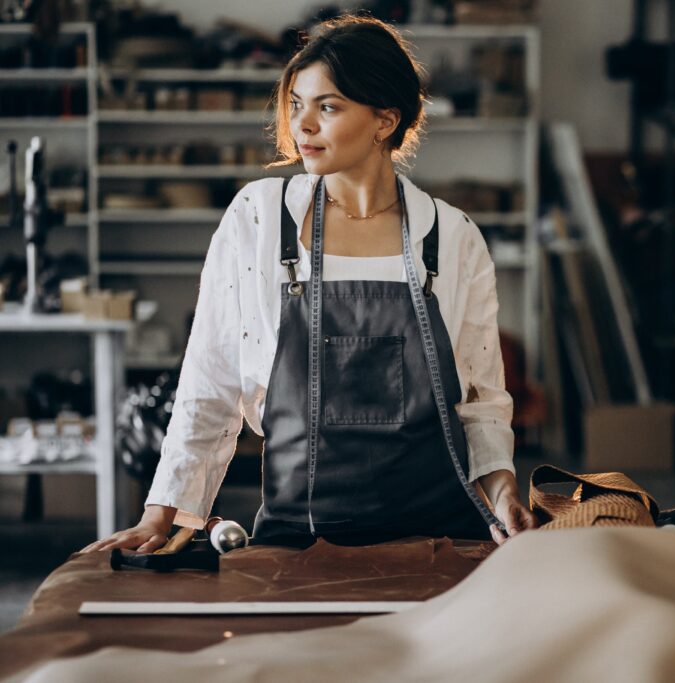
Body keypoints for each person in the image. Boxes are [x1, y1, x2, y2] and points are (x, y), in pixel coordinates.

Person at [82, 14, 537, 553]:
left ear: (385, 120)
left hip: (437, 538)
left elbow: (481, 401)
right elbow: (210, 381)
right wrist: (161, 514)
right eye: (296, 104)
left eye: (328, 107)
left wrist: (503, 490)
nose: (303, 125)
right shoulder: (259, 217)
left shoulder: (453, 237)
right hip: (300, 539)